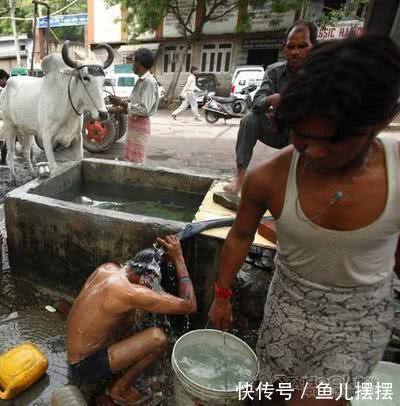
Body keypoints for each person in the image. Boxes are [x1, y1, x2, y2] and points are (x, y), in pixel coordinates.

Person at [208, 35, 400, 405]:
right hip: (286, 312)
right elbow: (240, 235)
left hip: (359, 321)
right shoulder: (270, 178)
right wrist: (222, 294)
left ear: (379, 122)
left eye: (332, 141)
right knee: (269, 396)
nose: (312, 151)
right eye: (300, 136)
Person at [67, 235, 196, 405]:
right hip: (84, 367)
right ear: (144, 277)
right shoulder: (128, 292)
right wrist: (179, 258)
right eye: (150, 282)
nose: (151, 286)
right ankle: (120, 389)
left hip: (77, 350)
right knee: (158, 338)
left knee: (140, 311)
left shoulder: (107, 269)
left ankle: (117, 369)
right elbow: (189, 305)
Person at [224, 21, 317, 194]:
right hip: (277, 129)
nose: (295, 52)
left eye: (302, 46)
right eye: (290, 47)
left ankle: (295, 182)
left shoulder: (321, 74)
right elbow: (256, 102)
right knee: (250, 119)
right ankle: (240, 177)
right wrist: (270, 100)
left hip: (306, 137)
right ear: (284, 49)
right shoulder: (274, 71)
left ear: (314, 47)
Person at [110, 48, 159, 164]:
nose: (132, 65)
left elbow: (144, 109)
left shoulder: (149, 82)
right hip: (134, 125)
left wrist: (121, 103)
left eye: (133, 62)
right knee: (131, 159)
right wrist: (119, 105)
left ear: (139, 63)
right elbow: (134, 102)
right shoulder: (141, 81)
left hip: (140, 126)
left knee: (136, 162)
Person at [0, 69, 10, 165]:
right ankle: (3, 160)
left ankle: (3, 160)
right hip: (9, 121)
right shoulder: (5, 89)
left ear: (4, 78)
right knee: (2, 136)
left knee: (25, 141)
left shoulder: (11, 86)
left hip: (17, 119)